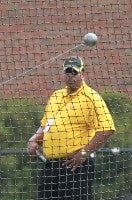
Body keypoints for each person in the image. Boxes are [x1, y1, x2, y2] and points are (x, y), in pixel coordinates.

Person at [27, 56, 116, 200]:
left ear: (82, 73)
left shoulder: (91, 97)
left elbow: (107, 128)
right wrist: (34, 139)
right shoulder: (56, 96)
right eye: (67, 73)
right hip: (51, 165)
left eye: (74, 73)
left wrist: (83, 153)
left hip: (75, 166)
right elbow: (46, 125)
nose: (70, 76)